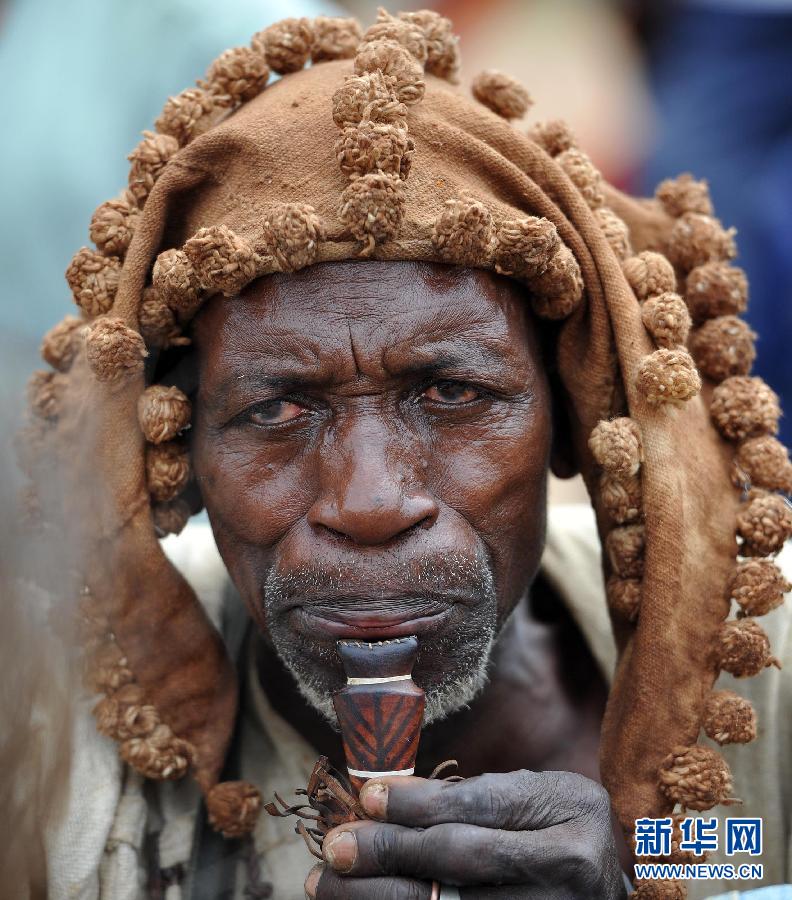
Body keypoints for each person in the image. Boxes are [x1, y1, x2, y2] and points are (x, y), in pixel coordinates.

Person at [16, 9, 792, 899]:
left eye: (452, 394)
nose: (372, 502)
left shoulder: (762, 657)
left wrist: (641, 868)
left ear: (574, 419)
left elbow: (748, 853)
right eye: (275, 409)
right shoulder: (56, 740)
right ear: (179, 450)